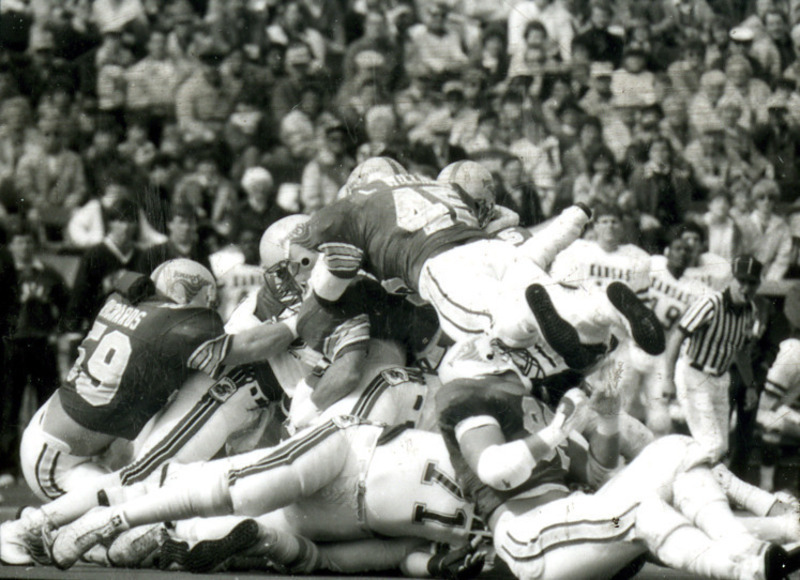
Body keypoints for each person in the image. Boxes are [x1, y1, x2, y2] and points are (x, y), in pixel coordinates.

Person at [293, 159, 662, 372]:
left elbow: (303, 246)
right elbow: (498, 218)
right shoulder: (438, 185)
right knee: (559, 301)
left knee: (490, 323)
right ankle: (605, 308)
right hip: (492, 249)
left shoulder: (354, 203)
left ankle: (531, 317)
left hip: (440, 264)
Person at [662, 255, 764, 462]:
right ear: (731, 280)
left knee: (721, 447)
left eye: (752, 283)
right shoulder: (710, 303)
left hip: (720, 379)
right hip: (695, 374)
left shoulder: (750, 310)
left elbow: (742, 352)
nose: (746, 288)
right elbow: (677, 337)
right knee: (711, 446)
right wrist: (668, 378)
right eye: (741, 281)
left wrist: (751, 386)